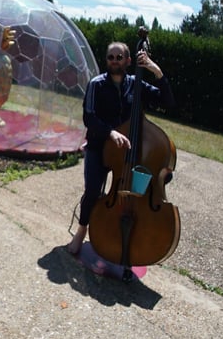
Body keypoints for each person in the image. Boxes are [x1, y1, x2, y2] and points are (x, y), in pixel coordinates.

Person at [67, 35, 176, 256]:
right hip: (99, 147)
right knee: (92, 191)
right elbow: (89, 117)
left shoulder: (136, 85)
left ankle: (120, 236)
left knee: (134, 196)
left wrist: (157, 71)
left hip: (128, 156)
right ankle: (81, 231)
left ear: (128, 60)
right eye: (111, 57)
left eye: (119, 56)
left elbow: (168, 103)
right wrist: (111, 132)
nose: (114, 60)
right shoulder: (96, 84)